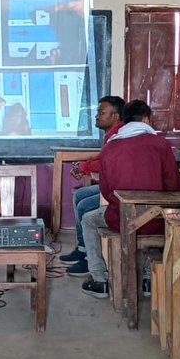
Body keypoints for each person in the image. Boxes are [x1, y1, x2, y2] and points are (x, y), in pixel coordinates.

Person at [76, 101, 180, 299]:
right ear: (147, 119)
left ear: (123, 120)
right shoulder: (161, 144)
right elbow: (174, 187)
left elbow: (106, 192)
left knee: (88, 220)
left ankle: (100, 281)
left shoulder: (111, 146)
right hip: (157, 221)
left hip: (121, 219)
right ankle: (148, 279)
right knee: (167, 218)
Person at [58, 95, 125, 274]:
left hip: (120, 192)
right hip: (116, 188)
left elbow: (105, 163)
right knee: (80, 195)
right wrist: (84, 166)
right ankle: (82, 249)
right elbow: (102, 158)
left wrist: (84, 167)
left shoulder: (119, 134)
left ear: (115, 116)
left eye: (101, 112)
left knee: (84, 206)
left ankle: (90, 259)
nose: (96, 116)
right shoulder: (112, 135)